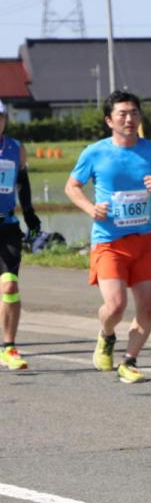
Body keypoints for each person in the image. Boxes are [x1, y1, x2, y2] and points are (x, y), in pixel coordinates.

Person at [64, 91, 151, 383]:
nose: (129, 119)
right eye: (122, 114)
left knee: (148, 305)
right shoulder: (94, 152)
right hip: (108, 241)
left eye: (134, 113)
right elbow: (71, 187)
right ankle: (106, 334)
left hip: (143, 239)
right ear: (109, 120)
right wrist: (91, 209)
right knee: (116, 306)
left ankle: (129, 361)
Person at [0, 102, 41, 370]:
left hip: (7, 227)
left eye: (0, 117)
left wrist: (30, 215)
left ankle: (9, 347)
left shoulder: (16, 148)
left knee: (10, 286)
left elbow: (22, 184)